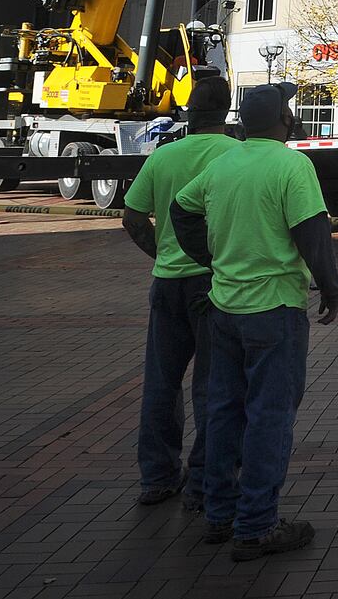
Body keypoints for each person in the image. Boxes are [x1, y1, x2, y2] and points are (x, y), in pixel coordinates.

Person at [171, 81, 338, 561]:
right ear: (285, 122)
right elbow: (311, 230)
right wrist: (329, 286)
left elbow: (181, 209)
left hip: (224, 309)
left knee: (224, 412)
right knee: (270, 417)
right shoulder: (292, 164)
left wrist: (209, 255)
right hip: (275, 313)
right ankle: (256, 526)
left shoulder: (222, 164)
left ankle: (218, 515)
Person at [121, 74, 238, 509]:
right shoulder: (235, 155)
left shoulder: (163, 157)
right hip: (214, 286)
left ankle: (157, 477)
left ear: (189, 110)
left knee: (161, 384)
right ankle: (206, 480)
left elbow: (132, 218)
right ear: (227, 112)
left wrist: (161, 254)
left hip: (167, 284)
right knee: (213, 386)